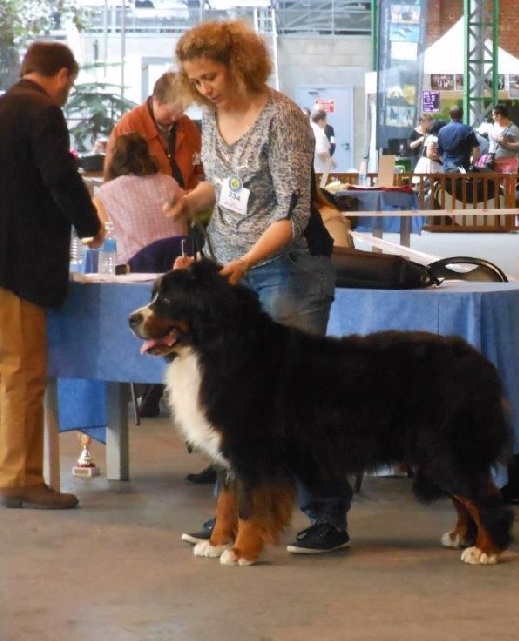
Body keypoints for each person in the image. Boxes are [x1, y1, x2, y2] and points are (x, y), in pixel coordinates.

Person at [168, 19, 352, 554]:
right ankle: (235, 517)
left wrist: (246, 260)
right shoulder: (209, 116)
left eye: (211, 76)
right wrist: (190, 201)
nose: (205, 88)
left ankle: (328, 516)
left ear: (240, 65)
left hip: (286, 271)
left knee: (298, 404)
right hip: (231, 276)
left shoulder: (284, 119)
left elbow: (293, 212)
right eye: (196, 80)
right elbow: (224, 187)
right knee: (237, 409)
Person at [0, 41, 103, 509]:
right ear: (61, 75)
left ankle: (12, 470)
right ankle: (19, 477)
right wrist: (90, 228)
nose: (68, 92)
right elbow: (60, 177)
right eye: (71, 83)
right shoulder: (41, 112)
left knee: (9, 371)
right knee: (24, 372)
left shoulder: (4, 106)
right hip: (19, 265)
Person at [94, 132, 186, 264]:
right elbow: (184, 232)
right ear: (148, 155)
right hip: (175, 267)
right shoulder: (171, 184)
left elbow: (100, 243)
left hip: (131, 273)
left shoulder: (104, 195)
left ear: (114, 159)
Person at [105, 71, 204, 192]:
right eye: (170, 112)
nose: (175, 118)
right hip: (145, 205)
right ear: (155, 100)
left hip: (188, 203)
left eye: (181, 111)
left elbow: (199, 171)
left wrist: (192, 196)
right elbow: (113, 182)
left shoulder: (188, 126)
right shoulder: (128, 126)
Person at [437, 105, 480, 171]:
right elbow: (476, 149)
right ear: (462, 116)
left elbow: (439, 152)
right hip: (463, 166)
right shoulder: (468, 129)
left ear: (449, 116)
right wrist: (473, 163)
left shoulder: (442, 130)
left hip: (447, 168)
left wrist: (445, 162)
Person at [489, 104, 519, 174]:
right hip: (495, 163)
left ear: (499, 116)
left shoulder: (513, 129)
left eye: (493, 115)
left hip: (509, 164)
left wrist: (506, 144)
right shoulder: (493, 128)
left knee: (509, 184)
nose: (492, 117)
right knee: (497, 185)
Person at [311, 109, 336, 174]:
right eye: (325, 120)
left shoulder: (330, 129)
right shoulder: (319, 134)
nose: (326, 122)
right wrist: (333, 163)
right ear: (320, 120)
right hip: (320, 170)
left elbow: (333, 142)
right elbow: (321, 152)